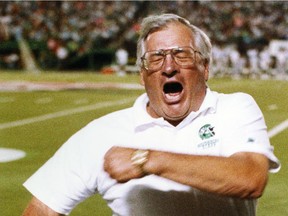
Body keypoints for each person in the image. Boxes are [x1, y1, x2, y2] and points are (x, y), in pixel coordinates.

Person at [22, 14, 280, 216]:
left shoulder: (234, 109)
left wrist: (146, 160)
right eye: (155, 58)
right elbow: (44, 207)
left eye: (181, 54)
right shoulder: (102, 133)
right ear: (142, 74)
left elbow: (251, 178)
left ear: (205, 67)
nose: (169, 67)